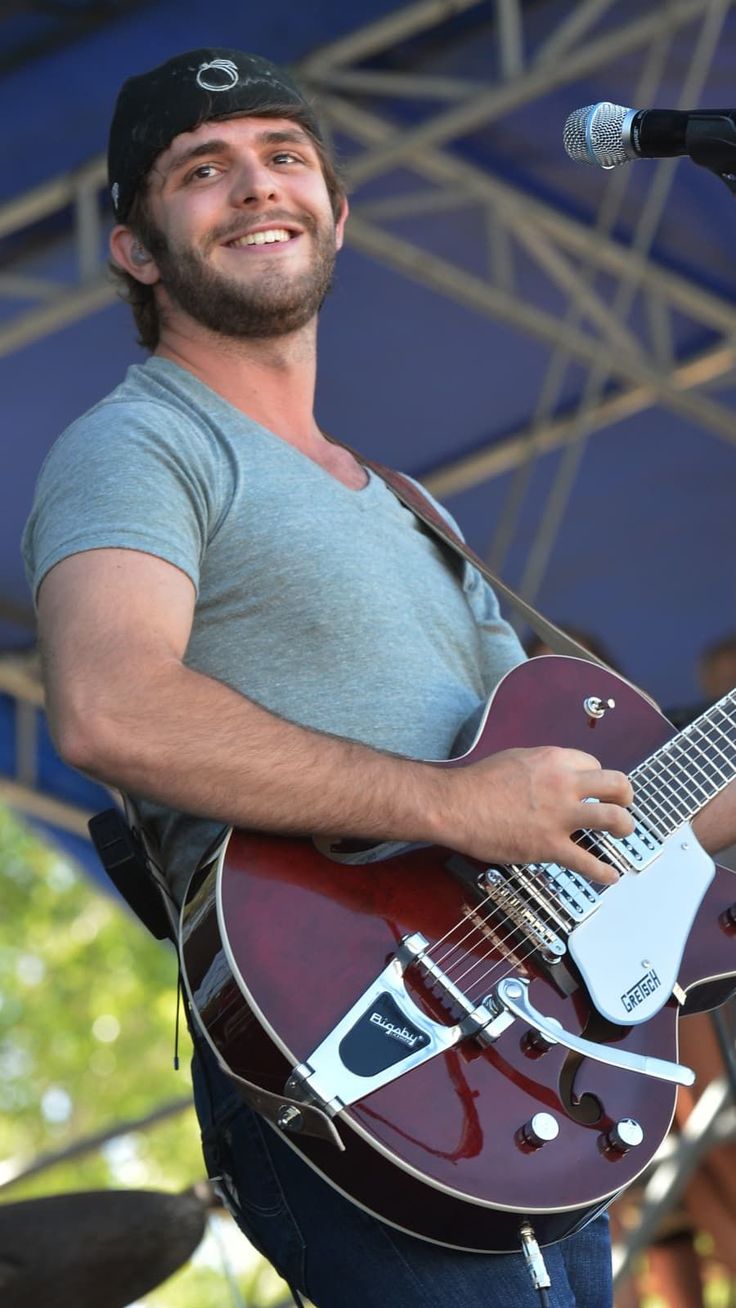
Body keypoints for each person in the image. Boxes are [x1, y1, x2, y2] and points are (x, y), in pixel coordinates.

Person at [20, 48, 736, 1308]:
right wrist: (455, 806)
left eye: (284, 158)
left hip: (532, 1062)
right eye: (204, 170)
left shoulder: (411, 508)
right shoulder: (140, 445)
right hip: (366, 1046)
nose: (256, 189)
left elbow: (601, 809)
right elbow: (109, 705)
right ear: (136, 249)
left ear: (337, 215)